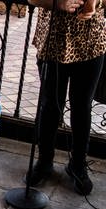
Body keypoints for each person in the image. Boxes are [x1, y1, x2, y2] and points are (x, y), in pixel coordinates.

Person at [26, 0, 106, 195]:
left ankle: (77, 165)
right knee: (50, 106)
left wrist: (95, 3)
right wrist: (58, 4)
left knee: (82, 107)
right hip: (54, 41)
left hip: (91, 42)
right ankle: (45, 162)